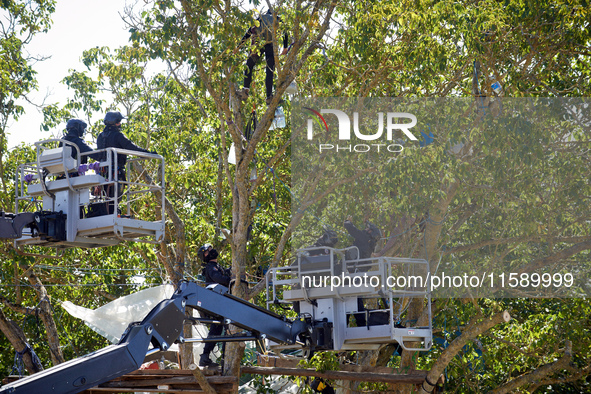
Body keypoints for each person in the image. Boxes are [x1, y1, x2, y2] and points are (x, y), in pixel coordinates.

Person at [96, 111, 154, 214]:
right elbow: (131, 147)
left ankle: (108, 212)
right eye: (119, 122)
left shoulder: (100, 136)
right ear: (115, 123)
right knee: (115, 195)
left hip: (103, 172)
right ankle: (114, 212)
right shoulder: (118, 136)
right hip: (115, 172)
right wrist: (147, 154)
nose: (120, 124)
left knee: (106, 195)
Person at [235, 8, 289, 105]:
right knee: (269, 71)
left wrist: (238, 47)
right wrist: (285, 48)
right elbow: (285, 32)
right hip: (271, 46)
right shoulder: (278, 19)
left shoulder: (261, 18)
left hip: (258, 44)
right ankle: (269, 97)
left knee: (249, 65)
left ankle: (245, 90)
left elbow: (249, 32)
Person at [197, 243, 232, 368]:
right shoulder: (210, 267)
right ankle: (207, 356)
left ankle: (218, 357)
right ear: (205, 256)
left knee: (221, 329)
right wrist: (230, 280)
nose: (211, 251)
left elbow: (224, 274)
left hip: (221, 301)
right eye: (208, 251)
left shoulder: (217, 266)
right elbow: (219, 278)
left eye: (211, 249)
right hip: (216, 302)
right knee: (217, 328)